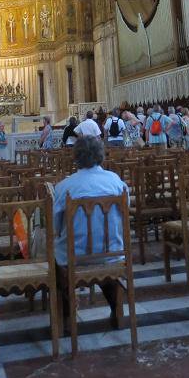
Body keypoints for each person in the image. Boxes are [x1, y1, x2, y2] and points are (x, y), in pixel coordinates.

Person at [53, 138, 128, 333]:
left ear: (75, 157)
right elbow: (125, 213)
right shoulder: (115, 181)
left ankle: (67, 315)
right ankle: (116, 308)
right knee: (103, 263)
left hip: (74, 258)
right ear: (100, 155)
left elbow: (56, 227)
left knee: (53, 255)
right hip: (112, 253)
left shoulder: (64, 187)